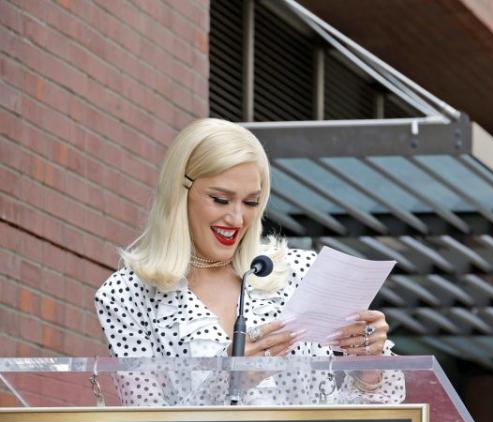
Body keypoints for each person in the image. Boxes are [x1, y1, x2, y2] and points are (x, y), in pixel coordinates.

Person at [94, 118, 404, 405]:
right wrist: (227, 379)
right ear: (180, 193)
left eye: (251, 202)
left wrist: (370, 371)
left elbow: (364, 416)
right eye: (220, 199)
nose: (237, 218)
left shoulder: (300, 271)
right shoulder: (126, 295)